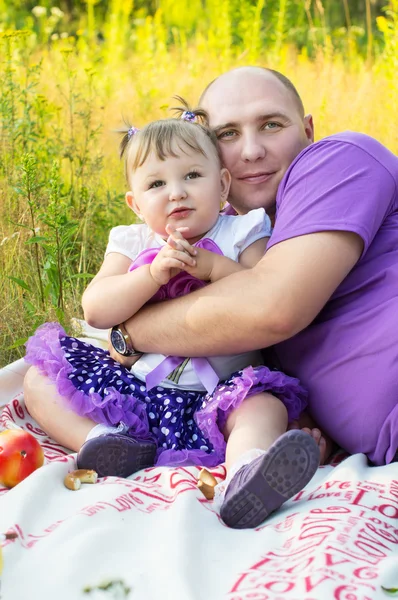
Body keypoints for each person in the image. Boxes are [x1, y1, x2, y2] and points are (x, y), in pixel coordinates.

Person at [23, 109, 320, 529]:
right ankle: (104, 445)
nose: (176, 193)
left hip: (221, 396)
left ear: (222, 184)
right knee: (39, 377)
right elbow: (97, 309)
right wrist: (150, 275)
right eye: (157, 184)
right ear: (135, 202)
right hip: (137, 393)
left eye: (192, 176)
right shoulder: (134, 241)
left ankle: (247, 474)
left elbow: (263, 289)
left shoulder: (243, 232)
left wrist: (213, 269)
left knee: (264, 406)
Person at [103, 66, 398, 467]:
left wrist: (130, 332)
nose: (251, 150)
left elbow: (271, 310)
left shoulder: (341, 161)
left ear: (308, 130)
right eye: (227, 134)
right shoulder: (229, 239)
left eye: (271, 125)